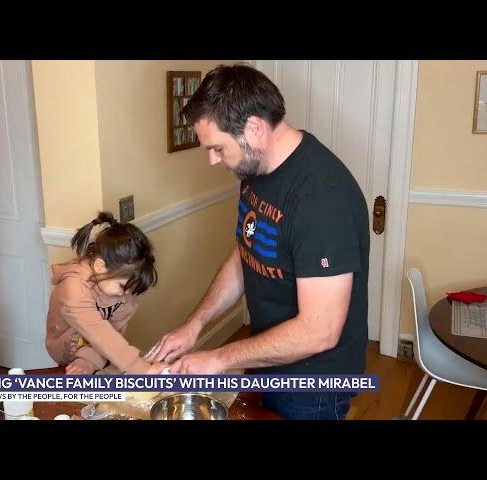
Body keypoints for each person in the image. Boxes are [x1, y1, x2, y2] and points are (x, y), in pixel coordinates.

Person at [144, 64, 370, 420]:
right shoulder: (255, 171)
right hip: (270, 360)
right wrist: (196, 324)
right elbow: (245, 254)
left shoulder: (322, 198)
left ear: (253, 128)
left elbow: (319, 332)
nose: (211, 160)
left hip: (314, 384)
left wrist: (220, 357)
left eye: (217, 147)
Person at [46, 211, 167, 375]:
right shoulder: (74, 289)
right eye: (122, 287)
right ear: (100, 267)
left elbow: (112, 333)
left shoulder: (123, 290)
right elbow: (100, 334)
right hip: (64, 349)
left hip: (99, 350)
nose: (125, 295)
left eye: (131, 290)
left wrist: (89, 361)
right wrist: (143, 370)